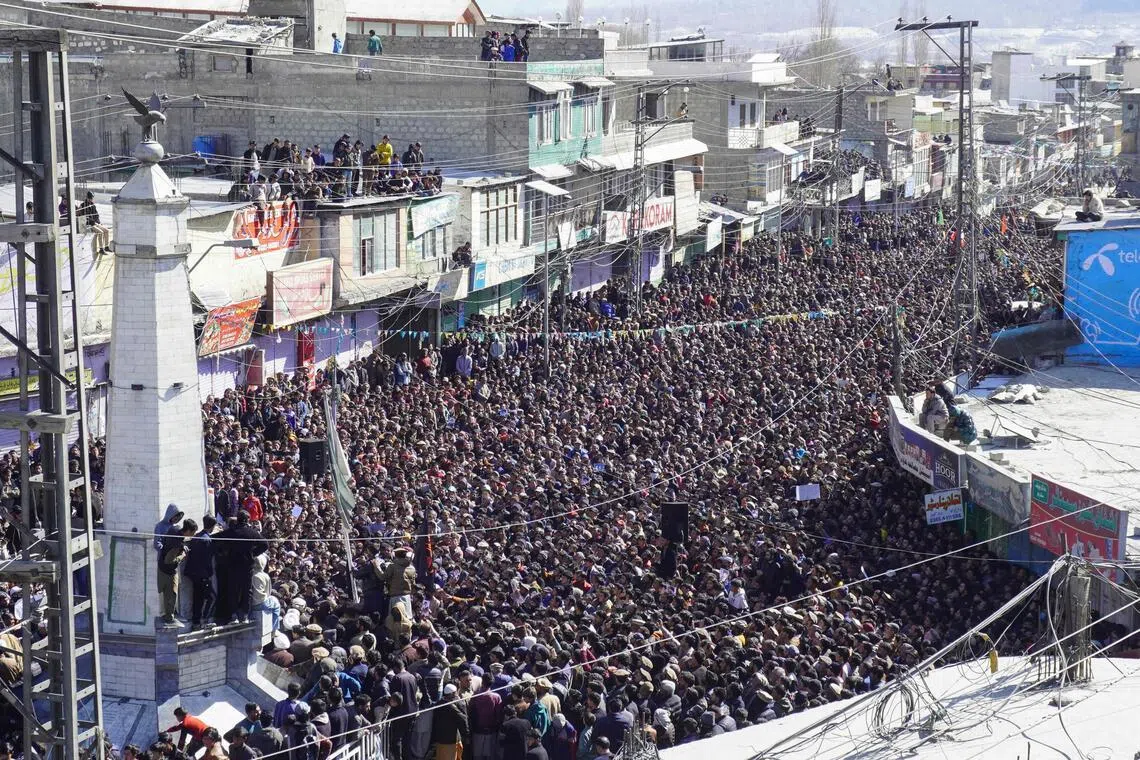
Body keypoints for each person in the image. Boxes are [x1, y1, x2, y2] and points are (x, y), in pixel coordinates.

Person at [158, 520, 194, 626]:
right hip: (168, 571)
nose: (193, 535)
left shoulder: (175, 529)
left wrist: (182, 546)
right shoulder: (176, 545)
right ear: (187, 531)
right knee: (172, 594)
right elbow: (169, 561)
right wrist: (182, 555)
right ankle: (169, 618)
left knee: (167, 594)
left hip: (162, 567)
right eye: (192, 533)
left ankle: (168, 615)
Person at [184, 514, 217, 630]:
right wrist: (209, 574)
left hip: (193, 573)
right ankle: (205, 620)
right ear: (212, 526)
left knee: (197, 599)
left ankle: (196, 622)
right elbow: (207, 560)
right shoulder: (207, 540)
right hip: (203, 574)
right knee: (211, 597)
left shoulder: (196, 537)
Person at [432, 683, 470, 760]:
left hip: (440, 739)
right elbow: (462, 719)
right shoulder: (451, 706)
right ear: (452, 694)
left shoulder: (439, 703)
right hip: (450, 741)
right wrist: (466, 735)